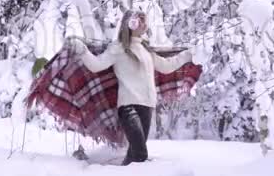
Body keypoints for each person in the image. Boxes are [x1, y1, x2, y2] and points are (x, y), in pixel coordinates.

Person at [69, 9, 193, 165]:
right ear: (130, 24)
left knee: (134, 155)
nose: (143, 24)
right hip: (128, 107)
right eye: (139, 21)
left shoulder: (146, 50)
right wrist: (82, 50)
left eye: (144, 21)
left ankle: (124, 172)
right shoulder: (118, 48)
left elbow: (166, 67)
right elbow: (96, 65)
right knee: (141, 153)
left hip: (147, 106)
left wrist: (188, 55)